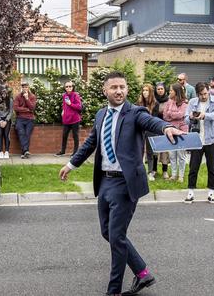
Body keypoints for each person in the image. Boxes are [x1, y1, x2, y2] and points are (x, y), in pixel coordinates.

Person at [59, 71, 184, 296]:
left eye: (123, 87)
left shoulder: (135, 113)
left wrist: (165, 127)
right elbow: (90, 143)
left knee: (116, 236)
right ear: (105, 90)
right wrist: (71, 164)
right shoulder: (100, 115)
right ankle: (142, 273)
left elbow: (151, 121)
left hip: (125, 183)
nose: (119, 91)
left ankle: (113, 290)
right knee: (107, 232)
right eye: (114, 87)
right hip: (105, 182)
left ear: (127, 90)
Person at [184, 82, 214, 204]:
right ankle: (190, 193)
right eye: (201, 94)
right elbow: (185, 119)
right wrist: (190, 117)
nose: (204, 96)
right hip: (197, 139)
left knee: (212, 167)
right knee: (193, 167)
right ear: (197, 94)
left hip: (212, 139)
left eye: (206, 93)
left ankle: (211, 193)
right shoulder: (192, 102)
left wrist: (204, 115)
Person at [163, 83, 189, 182]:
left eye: (171, 90)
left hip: (182, 131)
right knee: (172, 154)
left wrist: (171, 114)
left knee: (181, 155)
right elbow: (165, 116)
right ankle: (174, 175)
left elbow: (181, 114)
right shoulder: (169, 102)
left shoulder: (184, 103)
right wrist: (174, 115)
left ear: (176, 92)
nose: (169, 92)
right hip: (171, 130)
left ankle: (181, 176)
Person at [137, 83, 160, 181]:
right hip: (140, 129)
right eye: (143, 90)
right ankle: (139, 172)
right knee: (139, 151)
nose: (145, 92)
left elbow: (153, 119)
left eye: (147, 90)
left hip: (150, 130)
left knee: (150, 152)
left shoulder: (155, 104)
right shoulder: (138, 103)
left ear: (150, 92)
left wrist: (147, 112)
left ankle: (150, 172)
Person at [55, 81, 82, 157]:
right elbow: (64, 104)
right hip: (66, 119)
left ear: (73, 87)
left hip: (75, 119)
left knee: (75, 136)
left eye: (70, 86)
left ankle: (75, 152)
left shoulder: (75, 95)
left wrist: (70, 104)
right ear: (65, 88)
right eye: (66, 87)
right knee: (64, 136)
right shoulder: (65, 96)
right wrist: (63, 111)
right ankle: (63, 151)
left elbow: (79, 107)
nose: (68, 88)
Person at [14, 81, 36, 159]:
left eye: (26, 87)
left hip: (30, 119)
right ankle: (25, 151)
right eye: (23, 87)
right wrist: (27, 109)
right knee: (21, 133)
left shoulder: (32, 96)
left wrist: (27, 98)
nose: (24, 88)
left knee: (27, 135)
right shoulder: (18, 96)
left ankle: (24, 152)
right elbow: (16, 108)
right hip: (20, 118)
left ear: (28, 88)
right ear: (22, 88)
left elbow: (32, 108)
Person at [154, 83, 170, 178]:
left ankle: (165, 171)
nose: (160, 90)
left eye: (161, 89)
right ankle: (154, 170)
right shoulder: (153, 100)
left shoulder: (168, 101)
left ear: (164, 90)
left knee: (164, 150)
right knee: (155, 150)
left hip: (165, 127)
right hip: (155, 127)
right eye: (158, 89)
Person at [0, 90, 13, 159]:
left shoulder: (10, 100)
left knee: (6, 135)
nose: (3, 94)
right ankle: (1, 152)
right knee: (0, 134)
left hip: (7, 119)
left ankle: (7, 151)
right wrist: (0, 120)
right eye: (2, 93)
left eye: (5, 93)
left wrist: (6, 121)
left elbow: (10, 112)